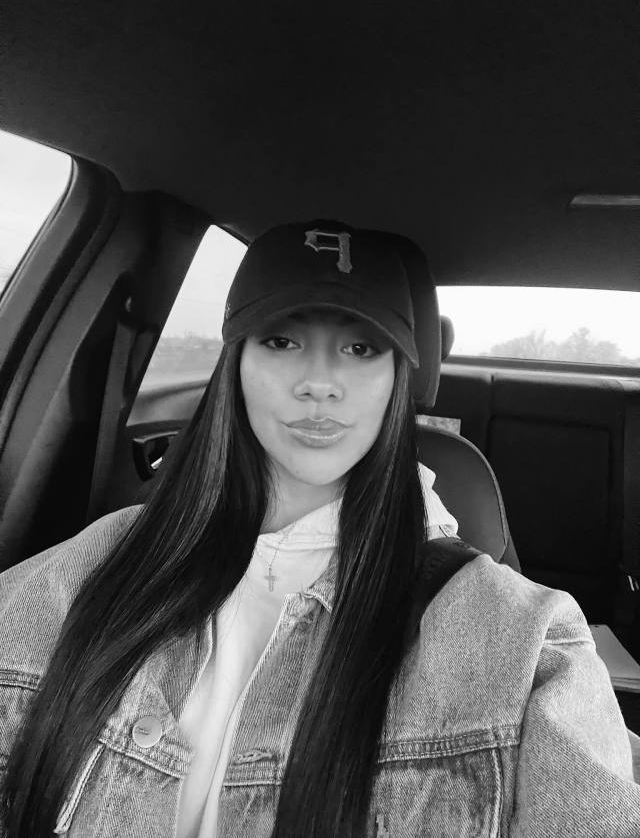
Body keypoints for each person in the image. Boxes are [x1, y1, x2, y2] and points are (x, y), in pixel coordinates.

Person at [0, 220, 638, 838]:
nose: (319, 385)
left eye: (361, 348)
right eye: (281, 341)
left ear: (400, 377)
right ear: (235, 362)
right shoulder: (97, 563)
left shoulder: (522, 638)